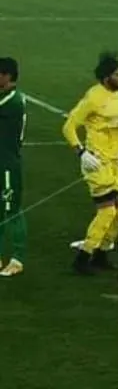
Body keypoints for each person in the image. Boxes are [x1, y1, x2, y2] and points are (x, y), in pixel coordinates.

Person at [63, 52, 118, 274]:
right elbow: (69, 127)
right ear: (106, 77)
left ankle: (101, 253)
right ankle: (82, 259)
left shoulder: (117, 96)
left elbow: (117, 127)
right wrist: (81, 153)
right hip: (97, 163)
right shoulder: (93, 98)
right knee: (107, 212)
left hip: (116, 163)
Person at [0, 57, 28, 277]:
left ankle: (18, 258)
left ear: (7, 76)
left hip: (8, 165)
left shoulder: (12, 101)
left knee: (12, 211)